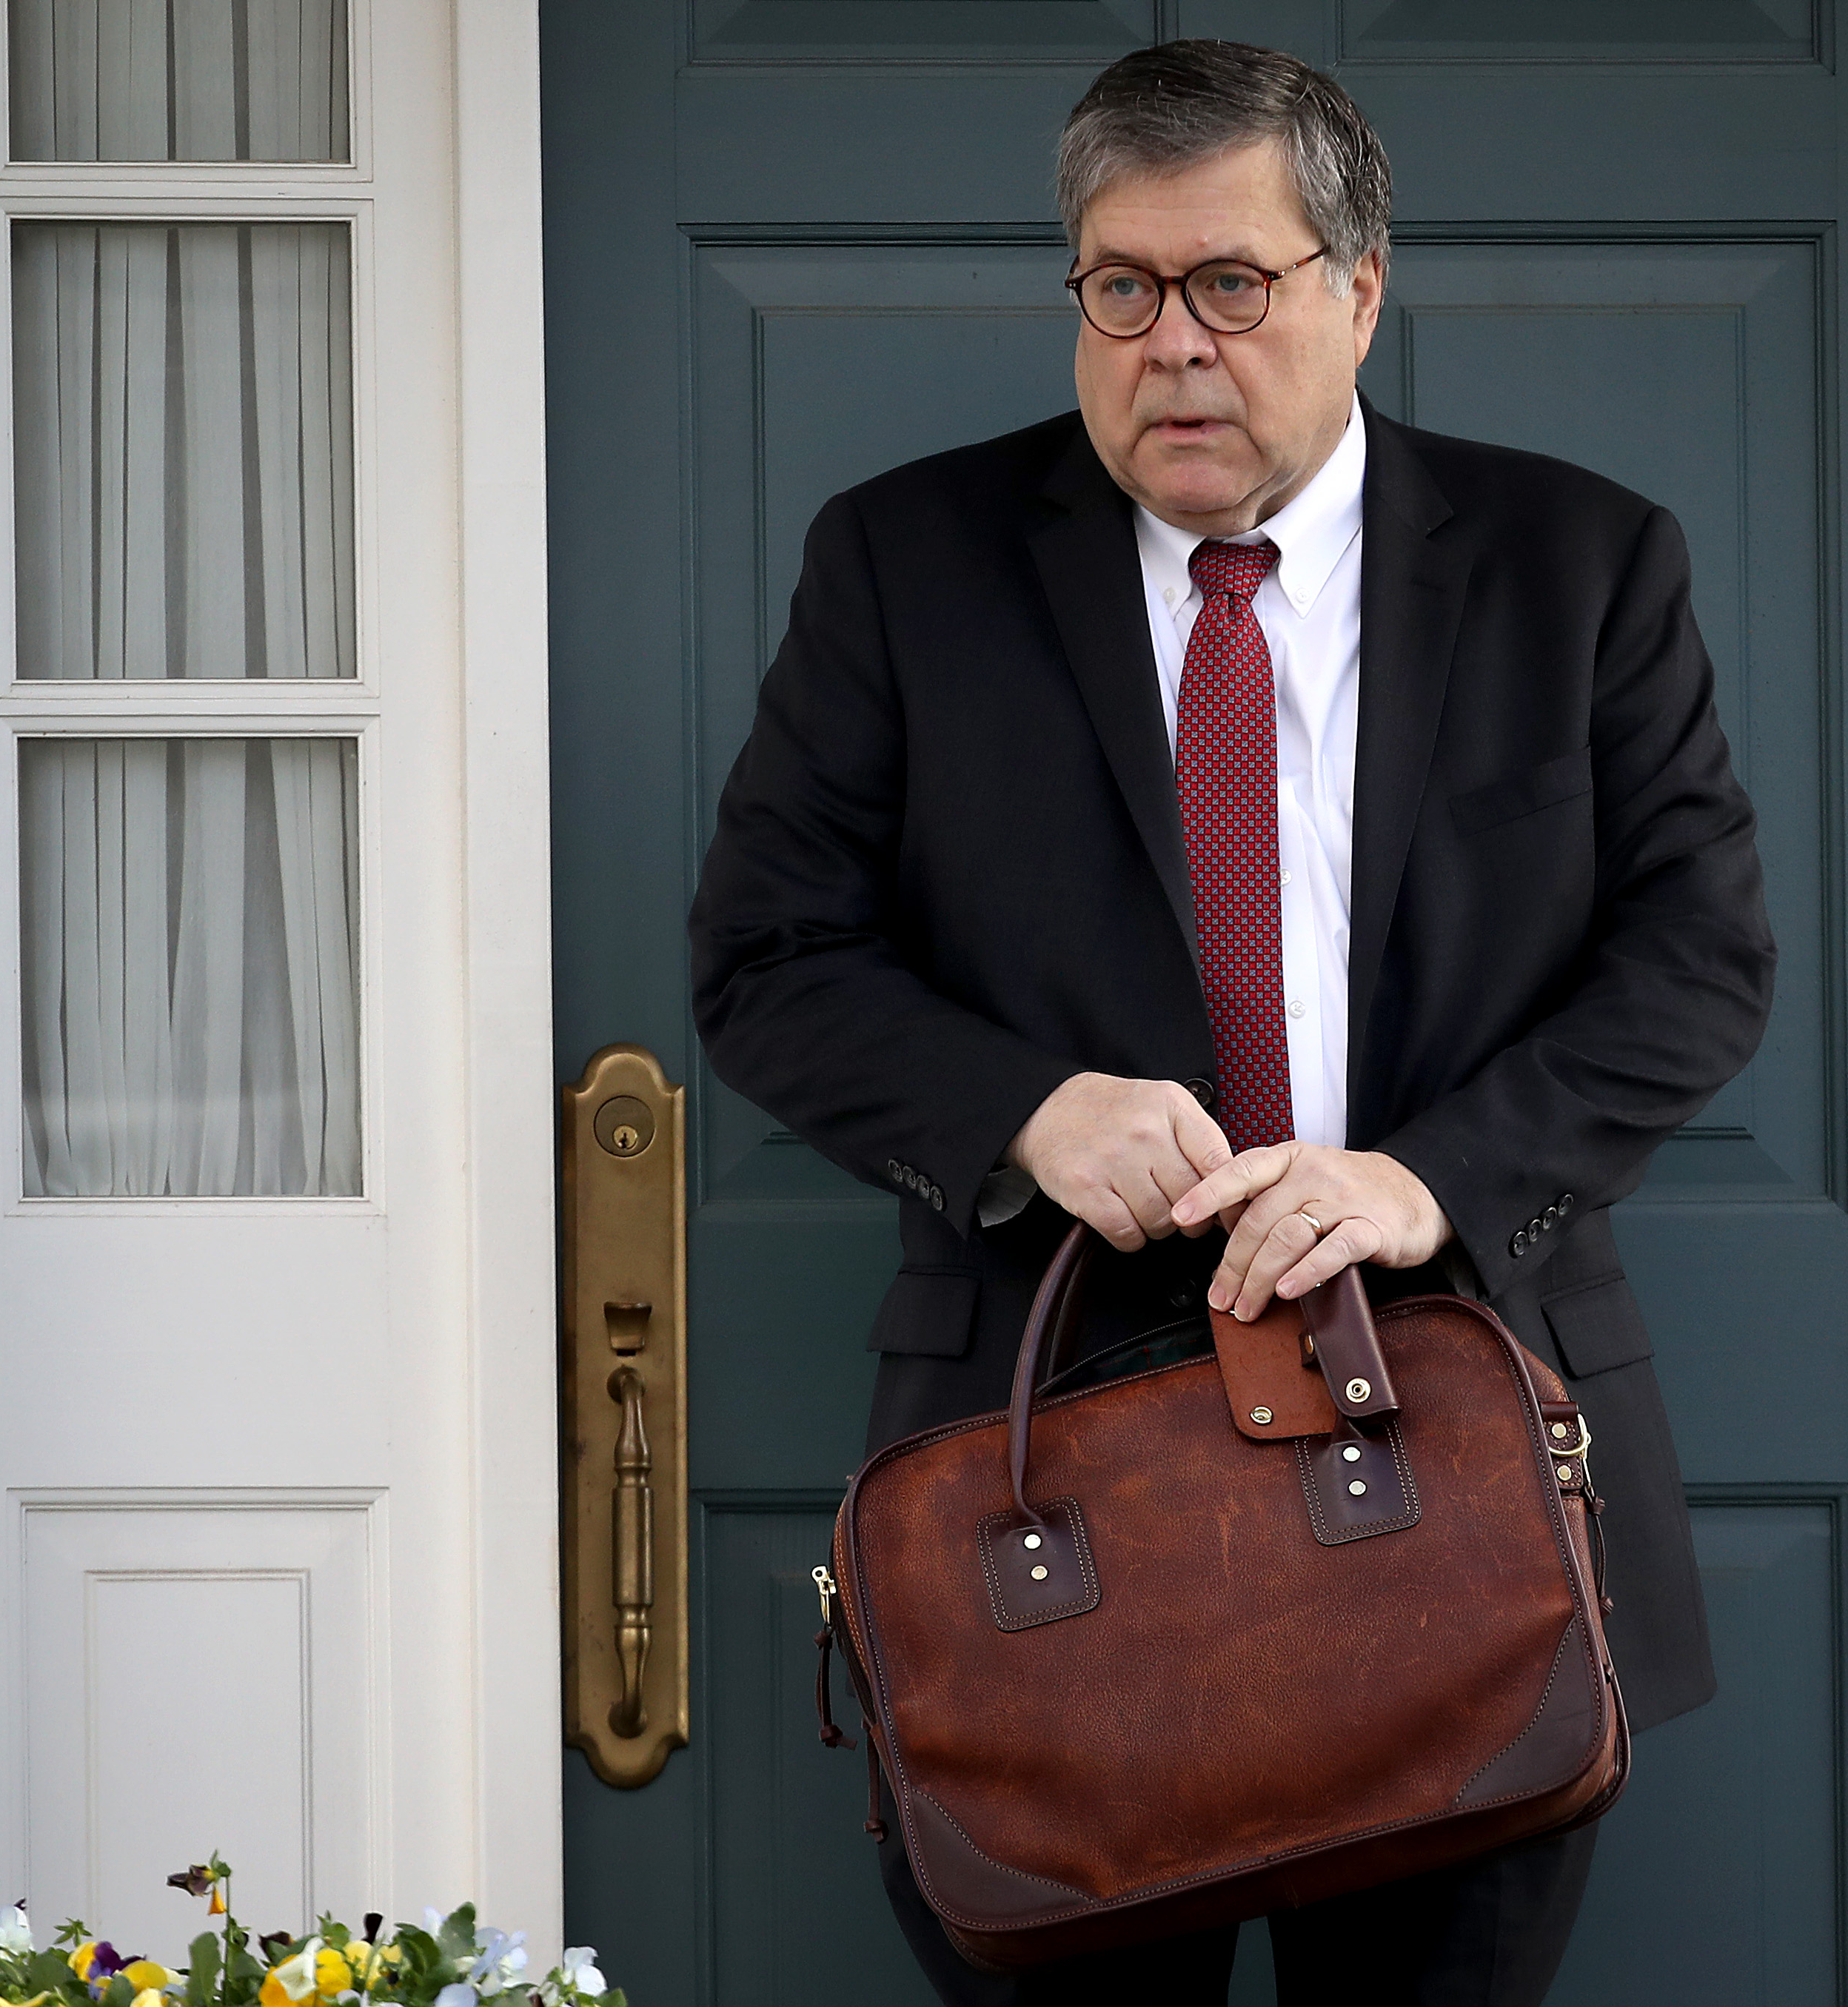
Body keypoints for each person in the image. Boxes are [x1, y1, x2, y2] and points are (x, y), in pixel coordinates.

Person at [689, 38, 1775, 2006]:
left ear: (1363, 289)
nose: (1169, 343)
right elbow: (764, 958)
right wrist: (1025, 1114)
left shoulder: (1581, 564)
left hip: (1465, 1456)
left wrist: (1425, 1181)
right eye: (1120, 285)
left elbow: (1698, 957)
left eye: (1232, 285)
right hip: (1045, 1492)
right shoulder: (905, 563)